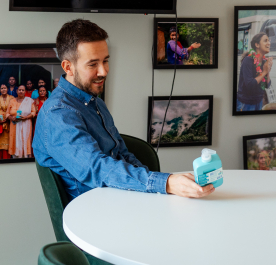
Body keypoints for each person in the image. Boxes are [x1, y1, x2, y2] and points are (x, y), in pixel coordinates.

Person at [34, 19, 214, 199]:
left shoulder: (95, 102)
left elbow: (121, 153)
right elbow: (98, 169)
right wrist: (165, 183)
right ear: (68, 67)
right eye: (93, 64)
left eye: (105, 61)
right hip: (97, 209)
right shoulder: (58, 114)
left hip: (122, 197)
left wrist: (159, 189)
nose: (104, 71)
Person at [236, 32, 272, 111]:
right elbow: (250, 85)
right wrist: (264, 72)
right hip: (246, 103)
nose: (269, 43)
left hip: (259, 102)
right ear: (257, 45)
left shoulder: (264, 61)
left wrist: (267, 70)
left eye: (269, 40)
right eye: (265, 40)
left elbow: (267, 85)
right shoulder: (248, 61)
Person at [7, 85, 36, 158]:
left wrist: (26, 117)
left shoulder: (29, 101)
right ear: (17, 91)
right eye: (19, 90)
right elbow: (7, 114)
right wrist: (11, 118)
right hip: (14, 125)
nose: (21, 91)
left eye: (23, 90)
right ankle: (15, 157)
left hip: (26, 125)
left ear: (25, 91)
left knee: (25, 141)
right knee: (15, 141)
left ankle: (25, 157)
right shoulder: (12, 101)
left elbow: (33, 113)